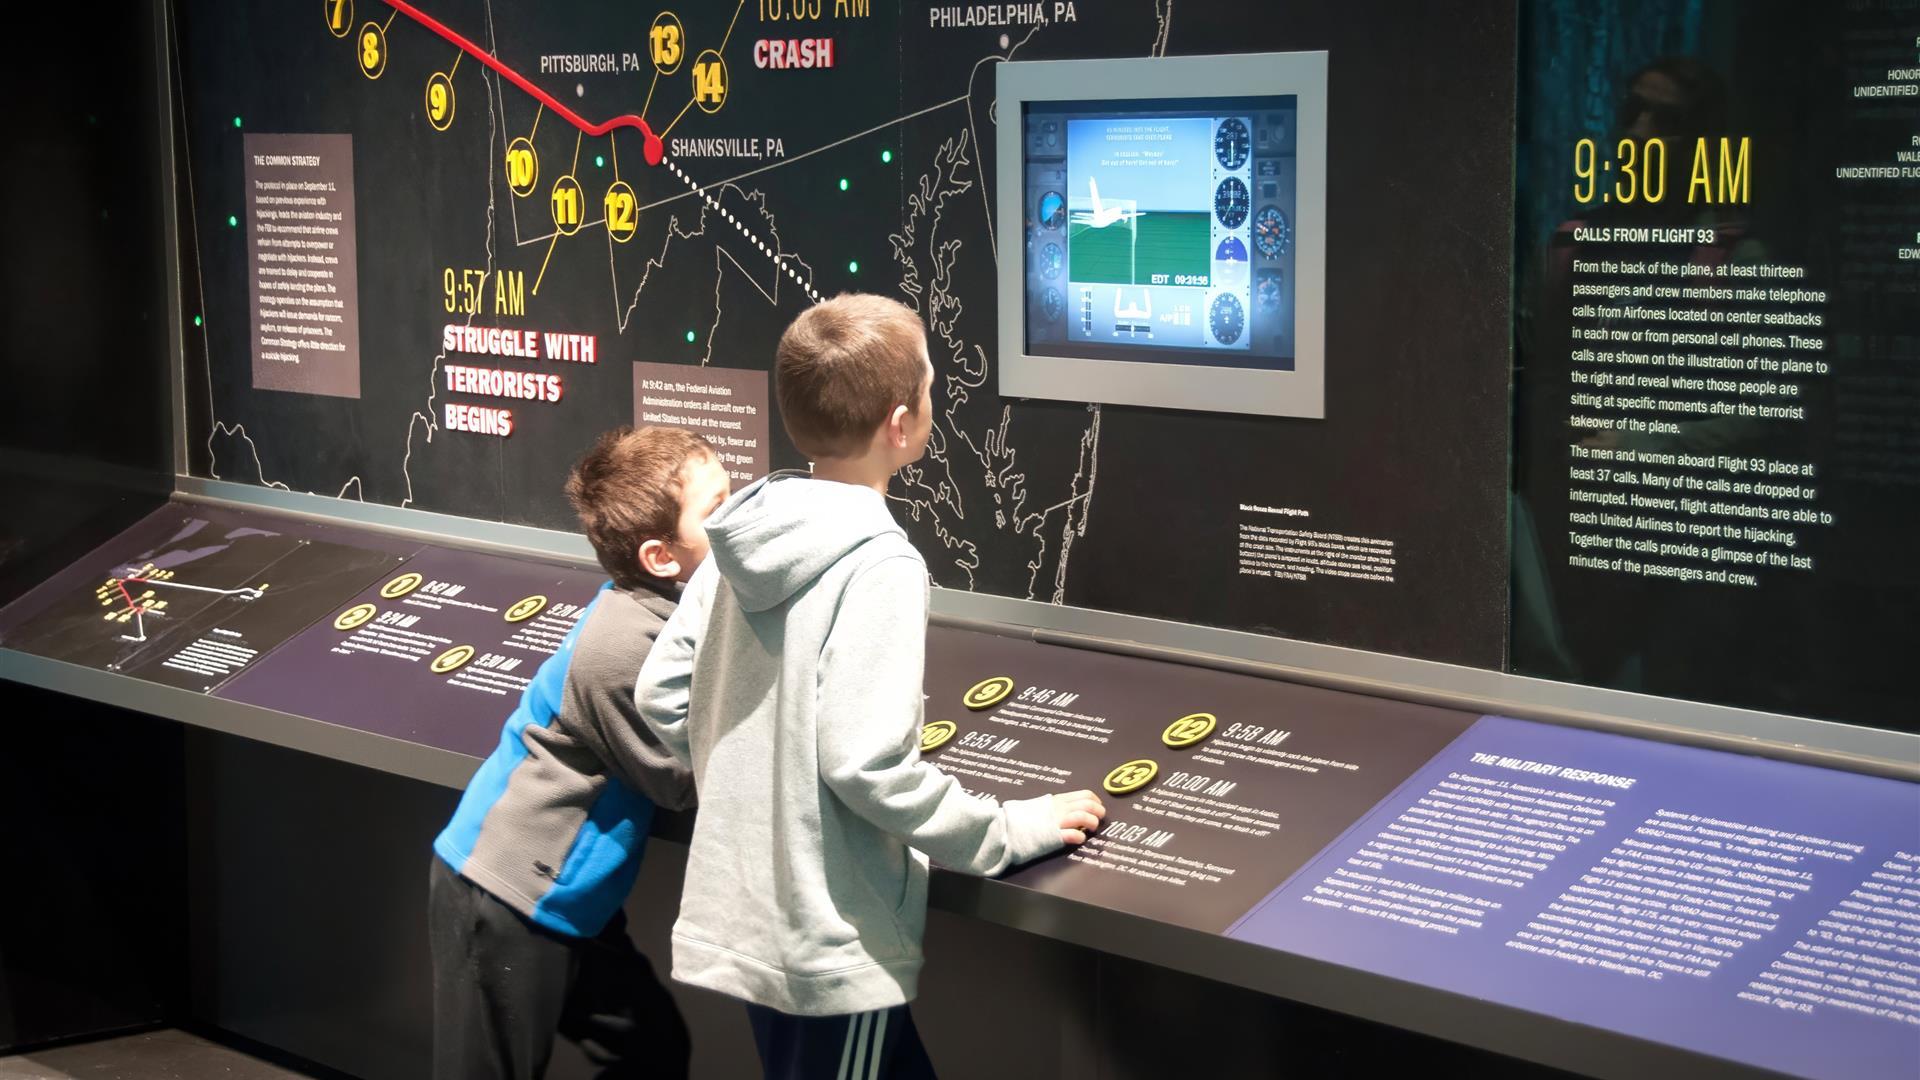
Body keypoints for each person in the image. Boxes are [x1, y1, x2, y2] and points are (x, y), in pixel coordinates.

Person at [637, 294, 1106, 1078]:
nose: (933, 399)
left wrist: (757, 782)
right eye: (927, 386)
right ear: (901, 423)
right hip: (828, 942)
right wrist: (1006, 832)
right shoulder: (880, 564)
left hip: (755, 916)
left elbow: (662, 696)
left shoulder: (737, 538)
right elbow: (867, 764)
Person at [428, 425, 732, 1080]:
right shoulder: (625, 646)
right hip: (509, 893)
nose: (738, 519)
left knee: (653, 1049)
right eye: (716, 511)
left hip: (569, 897)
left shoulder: (675, 611)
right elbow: (678, 781)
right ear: (659, 556)